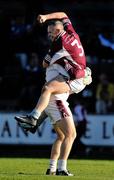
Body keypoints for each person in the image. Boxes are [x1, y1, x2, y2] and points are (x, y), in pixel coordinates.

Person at [15, 11, 92, 131]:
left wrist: (83, 73)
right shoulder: (71, 32)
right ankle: (36, 122)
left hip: (78, 79)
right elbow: (63, 15)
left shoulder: (59, 44)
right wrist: (46, 17)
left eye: (50, 32)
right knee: (50, 96)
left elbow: (45, 64)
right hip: (80, 74)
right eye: (48, 32)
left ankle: (33, 118)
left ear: (57, 31)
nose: (49, 35)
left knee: (48, 89)